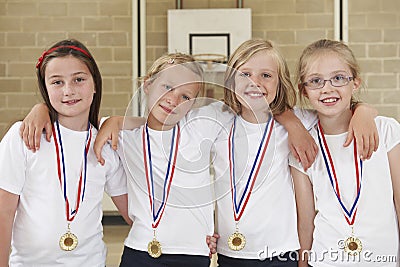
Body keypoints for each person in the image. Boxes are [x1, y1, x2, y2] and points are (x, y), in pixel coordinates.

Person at [0, 39, 131, 267]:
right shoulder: (23, 137)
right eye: (57, 82)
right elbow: (3, 212)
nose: (68, 91)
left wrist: (194, 234)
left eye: (79, 79)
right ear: (45, 88)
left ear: (95, 84)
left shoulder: (106, 146)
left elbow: (134, 214)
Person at [290, 39, 400, 267]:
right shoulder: (303, 146)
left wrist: (364, 111)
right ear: (304, 90)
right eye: (316, 81)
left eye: (339, 78)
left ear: (356, 83)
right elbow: (306, 220)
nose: (327, 88)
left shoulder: (387, 131)